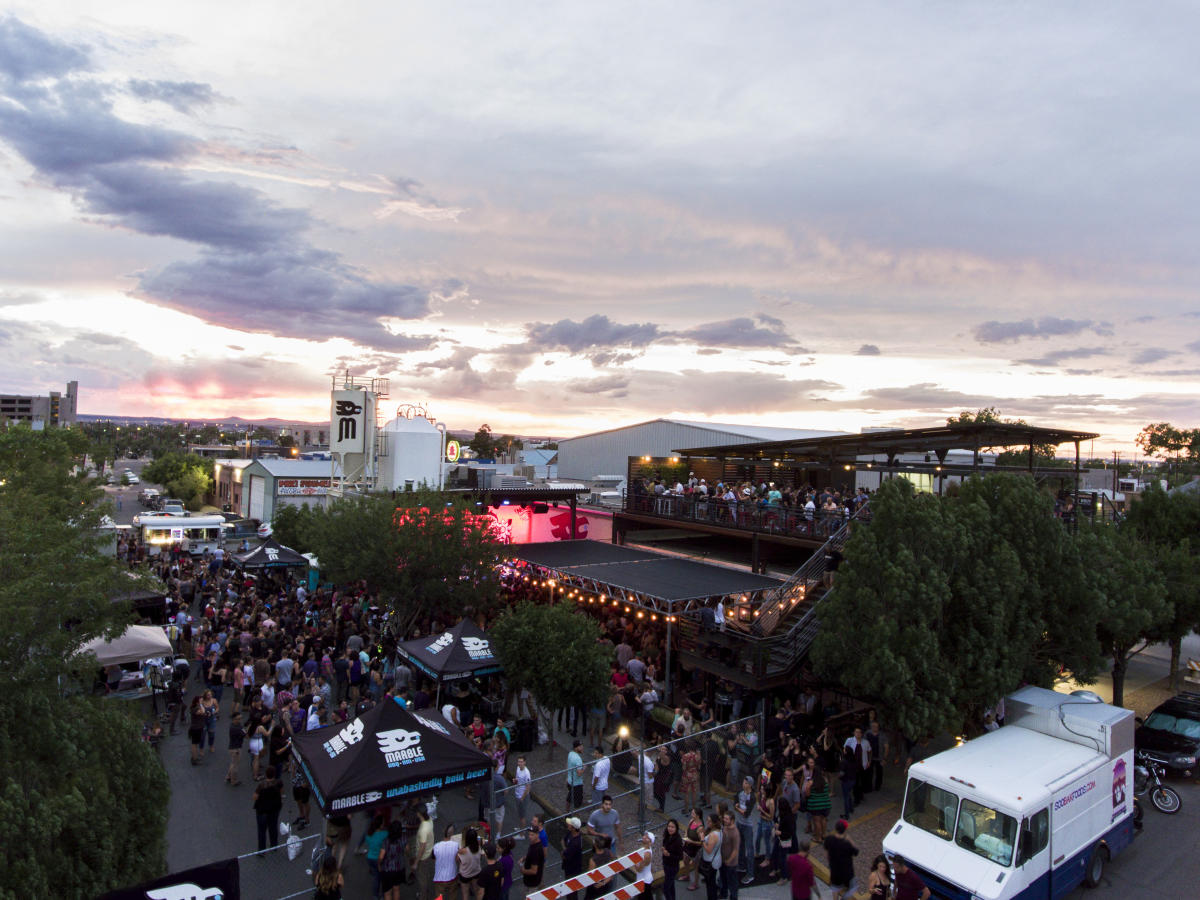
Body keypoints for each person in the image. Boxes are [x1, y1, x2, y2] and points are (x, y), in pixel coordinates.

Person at [822, 819, 858, 900]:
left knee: (835, 888)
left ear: (836, 829)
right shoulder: (847, 844)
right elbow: (856, 852)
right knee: (852, 888)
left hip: (835, 871)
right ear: (845, 830)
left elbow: (826, 854)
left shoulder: (829, 839)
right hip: (847, 872)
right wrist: (850, 840)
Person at [252, 765, 283, 852]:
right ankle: (274, 846)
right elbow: (281, 793)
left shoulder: (261, 785)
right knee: (273, 828)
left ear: (266, 774)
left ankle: (261, 850)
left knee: (261, 831)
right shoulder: (279, 783)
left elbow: (255, 797)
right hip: (274, 810)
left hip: (262, 811)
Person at [380, 820, 409, 900]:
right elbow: (407, 850)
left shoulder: (386, 841)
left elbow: (381, 857)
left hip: (387, 869)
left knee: (387, 892)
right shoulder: (403, 839)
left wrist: (379, 865)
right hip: (399, 868)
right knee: (396, 889)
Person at [364, 814, 389, 900]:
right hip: (380, 859)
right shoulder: (384, 834)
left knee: (376, 877)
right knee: (383, 878)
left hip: (370, 857)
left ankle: (375, 895)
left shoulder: (368, 834)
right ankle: (382, 895)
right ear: (381, 824)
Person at [433, 824, 461, 900]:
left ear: (443, 832)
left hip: (439, 878)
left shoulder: (436, 846)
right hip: (452, 877)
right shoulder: (456, 845)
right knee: (453, 896)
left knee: (439, 897)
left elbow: (434, 859)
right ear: (452, 834)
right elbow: (457, 859)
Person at [414, 803, 435, 900]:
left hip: (423, 856)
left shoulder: (423, 829)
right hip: (429, 851)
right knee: (425, 874)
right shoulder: (429, 820)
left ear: (419, 814)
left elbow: (422, 847)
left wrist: (416, 862)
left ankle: (423, 896)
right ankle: (425, 892)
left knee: (422, 878)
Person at [699, 814, 723, 900]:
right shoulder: (719, 831)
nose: (707, 822)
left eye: (709, 821)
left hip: (711, 861)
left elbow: (709, 850)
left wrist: (702, 840)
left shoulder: (713, 835)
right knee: (711, 882)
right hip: (715, 859)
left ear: (714, 823)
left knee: (710, 884)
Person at [681, 807, 704, 891]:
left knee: (696, 867)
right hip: (688, 845)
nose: (692, 814)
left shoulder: (700, 828)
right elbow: (687, 830)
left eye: (693, 813)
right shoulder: (691, 821)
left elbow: (701, 842)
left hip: (695, 848)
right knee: (685, 860)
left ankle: (696, 883)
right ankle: (687, 875)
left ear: (698, 816)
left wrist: (691, 841)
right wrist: (686, 837)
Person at [585, 835, 614, 900]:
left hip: (596, 886)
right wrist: (604, 882)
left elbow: (590, 876)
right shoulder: (608, 852)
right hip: (606, 884)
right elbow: (612, 869)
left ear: (595, 845)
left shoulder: (593, 860)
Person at [458, 826, 483, 900]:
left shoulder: (463, 851)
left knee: (465, 894)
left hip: (465, 874)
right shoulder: (478, 847)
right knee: (477, 890)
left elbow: (458, 859)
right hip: (476, 872)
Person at [720, 810, 741, 900]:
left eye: (726, 819)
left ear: (732, 820)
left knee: (732, 881)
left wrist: (728, 861)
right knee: (723, 878)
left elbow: (736, 850)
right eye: (724, 818)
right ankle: (723, 893)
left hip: (731, 862)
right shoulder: (724, 827)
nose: (724, 820)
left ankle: (733, 896)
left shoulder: (735, 833)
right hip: (723, 859)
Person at [562, 818, 584, 900]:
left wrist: (564, 851)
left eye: (570, 824)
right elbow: (563, 840)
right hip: (569, 868)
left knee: (571, 892)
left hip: (573, 870)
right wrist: (565, 849)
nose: (568, 824)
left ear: (573, 828)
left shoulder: (576, 843)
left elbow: (565, 856)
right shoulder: (570, 834)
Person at [662, 819, 683, 900]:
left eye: (672, 827)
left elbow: (680, 857)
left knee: (666, 889)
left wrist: (669, 854)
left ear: (676, 828)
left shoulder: (678, 841)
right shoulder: (667, 836)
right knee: (671, 886)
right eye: (669, 826)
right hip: (666, 865)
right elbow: (664, 844)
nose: (670, 828)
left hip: (672, 867)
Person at [521, 825, 545, 894]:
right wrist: (524, 858)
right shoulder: (534, 844)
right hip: (531, 881)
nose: (530, 837)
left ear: (537, 835)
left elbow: (534, 871)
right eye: (529, 834)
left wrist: (523, 871)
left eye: (532, 835)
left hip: (532, 883)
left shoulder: (536, 850)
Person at [225, 711, 245, 786]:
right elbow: (246, 735)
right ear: (234, 719)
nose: (239, 720)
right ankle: (234, 781)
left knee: (233, 763)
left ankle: (228, 776)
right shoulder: (236, 728)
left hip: (233, 747)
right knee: (235, 765)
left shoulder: (234, 725)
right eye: (238, 719)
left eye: (240, 718)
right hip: (236, 748)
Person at [635, 831, 655, 900]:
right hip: (645, 879)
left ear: (650, 842)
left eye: (647, 837)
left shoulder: (646, 854)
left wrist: (633, 861)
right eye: (645, 835)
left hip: (644, 881)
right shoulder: (646, 849)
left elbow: (639, 869)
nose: (644, 837)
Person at [567, 740, 585, 811]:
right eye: (580, 746)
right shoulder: (578, 759)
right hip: (577, 784)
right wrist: (584, 768)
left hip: (569, 781)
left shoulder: (570, 754)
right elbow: (579, 773)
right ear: (576, 748)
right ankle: (577, 818)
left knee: (569, 797)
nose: (582, 747)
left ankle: (567, 812)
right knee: (577, 803)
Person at [514, 756, 533, 828]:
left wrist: (522, 798)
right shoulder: (518, 768)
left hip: (522, 797)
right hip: (517, 794)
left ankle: (522, 834)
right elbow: (517, 779)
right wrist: (515, 781)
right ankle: (520, 828)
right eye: (519, 761)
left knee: (522, 816)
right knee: (520, 814)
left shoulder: (527, 773)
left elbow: (528, 788)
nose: (519, 763)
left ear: (525, 762)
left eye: (521, 762)